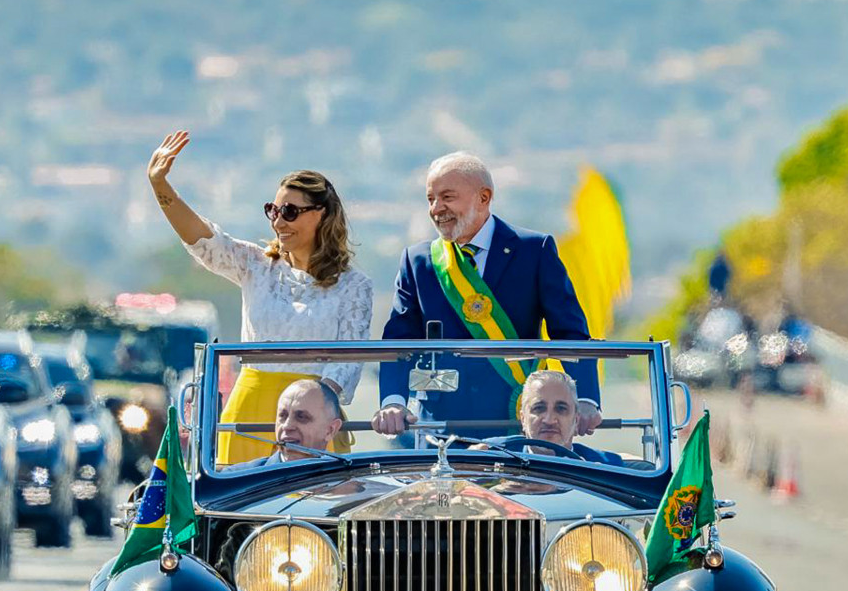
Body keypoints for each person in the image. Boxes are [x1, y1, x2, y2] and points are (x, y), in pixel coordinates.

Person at [147, 131, 372, 464]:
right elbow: (204, 241)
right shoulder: (256, 265)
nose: (279, 221)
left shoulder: (354, 285)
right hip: (248, 410)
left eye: (291, 212)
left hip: (312, 417)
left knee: (312, 511)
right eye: (274, 210)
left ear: (321, 214)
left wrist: (311, 412)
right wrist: (160, 186)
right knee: (239, 512)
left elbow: (347, 363)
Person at [371, 151, 600, 438]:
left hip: (515, 420)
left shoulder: (533, 250)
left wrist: (587, 399)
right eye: (431, 199)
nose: (436, 208)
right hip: (440, 428)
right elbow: (398, 340)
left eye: (447, 197)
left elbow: (569, 332)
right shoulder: (418, 260)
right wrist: (393, 401)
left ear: (483, 197)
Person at [476, 370, 623, 465]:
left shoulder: (605, 466)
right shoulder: (491, 456)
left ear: (576, 419)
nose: (549, 420)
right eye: (539, 409)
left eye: (561, 409)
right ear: (523, 419)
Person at [229, 380, 343, 470]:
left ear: (330, 430)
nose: (287, 426)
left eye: (301, 417)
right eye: (282, 416)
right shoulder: (237, 481)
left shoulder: (348, 484)